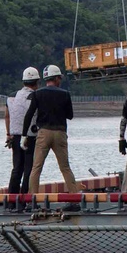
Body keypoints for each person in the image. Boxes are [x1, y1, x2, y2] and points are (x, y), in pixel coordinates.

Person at [23, 63, 79, 192]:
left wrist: (24, 135)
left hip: (43, 132)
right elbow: (70, 115)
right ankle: (74, 197)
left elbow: (29, 114)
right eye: (59, 78)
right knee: (65, 167)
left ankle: (33, 199)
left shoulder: (38, 94)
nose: (60, 80)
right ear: (56, 78)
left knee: (36, 167)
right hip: (60, 133)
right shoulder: (65, 94)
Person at [5, 66, 40, 194]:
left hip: (15, 136)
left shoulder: (11, 97)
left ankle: (11, 199)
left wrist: (8, 134)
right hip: (30, 136)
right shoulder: (36, 96)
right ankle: (25, 199)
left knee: (16, 169)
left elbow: (7, 116)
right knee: (28, 169)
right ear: (37, 82)